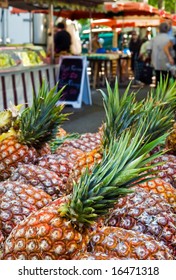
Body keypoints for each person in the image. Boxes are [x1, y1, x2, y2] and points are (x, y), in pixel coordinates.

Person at [149, 22, 175, 87]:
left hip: (156, 63)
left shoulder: (154, 39)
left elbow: (149, 49)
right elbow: (172, 50)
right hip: (167, 62)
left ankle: (158, 95)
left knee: (158, 80)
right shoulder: (170, 38)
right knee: (166, 80)